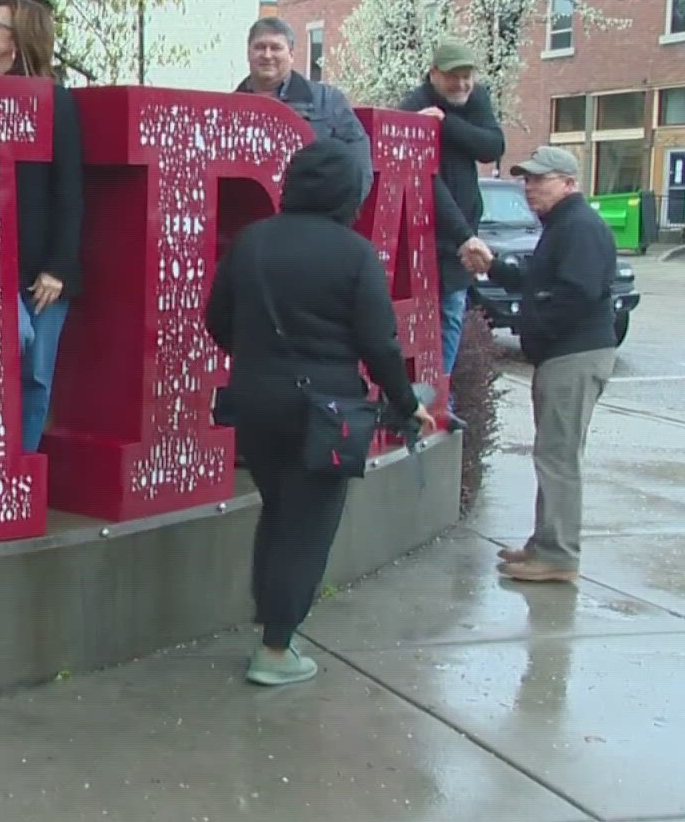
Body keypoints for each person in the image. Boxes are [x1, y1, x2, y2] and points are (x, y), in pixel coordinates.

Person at [205, 139, 436, 686]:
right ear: (348, 192)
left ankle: (272, 625)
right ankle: (276, 650)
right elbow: (379, 343)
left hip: (256, 401)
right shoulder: (353, 252)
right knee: (307, 526)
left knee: (278, 510)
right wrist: (407, 404)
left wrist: (260, 358)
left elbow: (217, 318)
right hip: (326, 412)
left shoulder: (252, 241)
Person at [460, 147, 617, 584]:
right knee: (554, 453)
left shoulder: (580, 227)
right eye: (526, 180)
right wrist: (497, 269)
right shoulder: (563, 226)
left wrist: (535, 324)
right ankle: (544, 542)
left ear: (569, 182)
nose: (529, 187)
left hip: (574, 355)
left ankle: (559, 554)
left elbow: (577, 294)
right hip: (565, 354)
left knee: (558, 457)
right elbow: (541, 281)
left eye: (539, 179)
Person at [0, 0, 83, 454]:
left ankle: (19, 467)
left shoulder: (54, 103)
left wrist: (59, 266)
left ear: (20, 42)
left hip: (41, 275)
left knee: (36, 376)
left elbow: (69, 190)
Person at [400, 40, 505, 375]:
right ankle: (423, 396)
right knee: (420, 321)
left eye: (467, 76)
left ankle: (439, 392)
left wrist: (444, 124)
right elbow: (426, 181)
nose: (461, 84)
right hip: (423, 237)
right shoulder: (413, 106)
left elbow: (491, 146)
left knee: (450, 314)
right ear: (434, 75)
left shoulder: (475, 100)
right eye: (453, 77)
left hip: (461, 235)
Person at [234, 16, 372, 192]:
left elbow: (359, 166)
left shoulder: (328, 101)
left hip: (313, 214)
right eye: (260, 47)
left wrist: (338, 214)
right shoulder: (229, 109)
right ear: (248, 53)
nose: (267, 55)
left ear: (291, 54)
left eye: (276, 48)